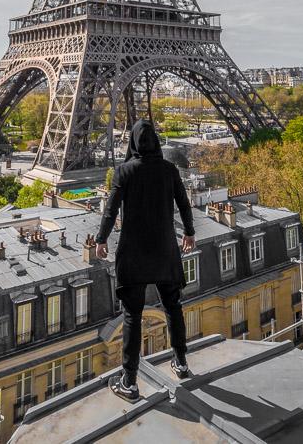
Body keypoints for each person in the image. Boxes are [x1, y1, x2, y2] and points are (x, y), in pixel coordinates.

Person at [96, 118, 196, 402]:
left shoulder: (124, 171)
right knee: (173, 307)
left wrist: (101, 239)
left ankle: (129, 380)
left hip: (135, 252)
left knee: (132, 316)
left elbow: (111, 210)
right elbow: (184, 204)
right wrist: (189, 232)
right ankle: (181, 362)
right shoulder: (169, 170)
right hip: (165, 249)